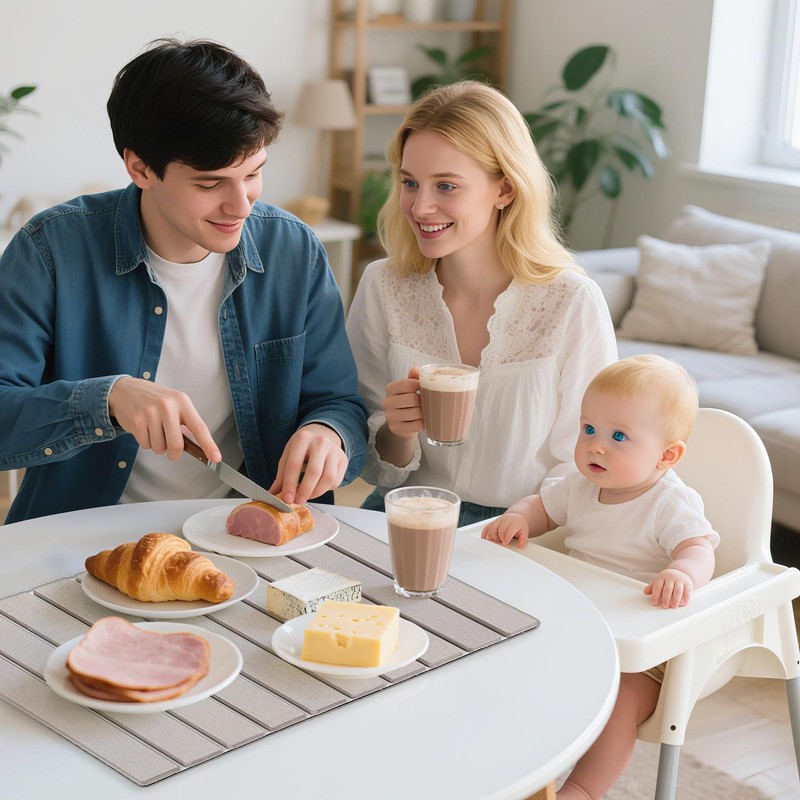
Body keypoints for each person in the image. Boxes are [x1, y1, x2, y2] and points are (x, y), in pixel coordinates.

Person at [0, 38, 368, 523]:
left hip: (248, 539)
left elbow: (339, 402)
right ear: (140, 168)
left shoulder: (293, 251)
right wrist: (108, 398)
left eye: (254, 174)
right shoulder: (51, 250)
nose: (241, 205)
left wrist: (330, 433)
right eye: (210, 184)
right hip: (82, 538)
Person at [345, 81, 617, 527]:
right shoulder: (383, 286)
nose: (420, 206)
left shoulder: (571, 302)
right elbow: (375, 466)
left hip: (524, 531)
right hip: (403, 517)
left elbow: (586, 462)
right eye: (410, 183)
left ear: (505, 190)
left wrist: (522, 527)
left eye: (447, 186)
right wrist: (398, 430)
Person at [482, 354, 720, 800]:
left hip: (642, 654)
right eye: (588, 429)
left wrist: (681, 573)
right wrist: (519, 517)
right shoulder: (580, 485)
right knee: (514, 667)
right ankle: (518, 770)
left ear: (666, 456)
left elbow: (698, 548)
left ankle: (584, 789)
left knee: (621, 701)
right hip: (579, 622)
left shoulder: (669, 503)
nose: (595, 446)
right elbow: (543, 508)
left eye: (618, 437)